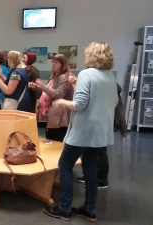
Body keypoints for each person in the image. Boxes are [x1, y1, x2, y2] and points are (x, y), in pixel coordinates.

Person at [43, 41, 118, 222]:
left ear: (92, 55)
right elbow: (110, 102)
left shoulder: (86, 74)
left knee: (65, 166)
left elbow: (79, 104)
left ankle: (64, 209)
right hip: (100, 132)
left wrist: (61, 102)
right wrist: (76, 86)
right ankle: (89, 210)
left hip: (83, 131)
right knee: (90, 168)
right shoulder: (109, 77)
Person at [28, 54, 73, 141]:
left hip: (60, 118)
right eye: (52, 62)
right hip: (51, 116)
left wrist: (43, 86)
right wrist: (36, 87)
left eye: (56, 62)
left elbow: (58, 94)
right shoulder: (53, 77)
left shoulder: (64, 78)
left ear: (62, 64)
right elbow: (46, 93)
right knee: (50, 141)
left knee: (57, 142)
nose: (53, 64)